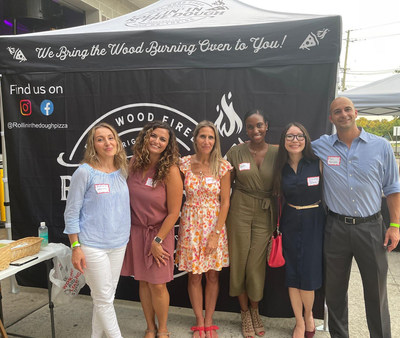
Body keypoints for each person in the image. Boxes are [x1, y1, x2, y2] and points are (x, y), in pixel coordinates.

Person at [312, 97, 400, 338]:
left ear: (355, 112)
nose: (343, 114)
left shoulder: (380, 145)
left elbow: (393, 187)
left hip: (371, 228)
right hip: (335, 228)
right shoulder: (321, 145)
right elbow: (293, 147)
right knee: (335, 293)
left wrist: (394, 225)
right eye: (337, 111)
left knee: (376, 292)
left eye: (347, 109)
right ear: (331, 118)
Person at [64, 122, 130, 338]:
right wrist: (76, 246)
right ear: (93, 145)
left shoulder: (123, 170)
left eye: (110, 137)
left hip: (118, 243)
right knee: (103, 299)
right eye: (100, 139)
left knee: (105, 297)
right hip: (92, 246)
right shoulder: (84, 172)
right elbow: (71, 212)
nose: (107, 143)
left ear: (117, 141)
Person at [121, 121, 183, 338]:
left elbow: (174, 212)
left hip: (159, 233)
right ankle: (150, 327)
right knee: (144, 282)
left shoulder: (171, 170)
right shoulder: (133, 163)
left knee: (157, 285)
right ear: (146, 137)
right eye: (154, 136)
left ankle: (163, 329)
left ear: (168, 144)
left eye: (162, 139)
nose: (157, 141)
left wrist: (157, 241)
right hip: (136, 232)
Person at [175, 120, 232, 338]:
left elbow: (225, 201)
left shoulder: (223, 166)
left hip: (213, 226)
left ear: (215, 141)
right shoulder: (184, 164)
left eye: (211, 137)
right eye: (203, 136)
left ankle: (210, 320)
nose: (206, 141)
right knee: (194, 277)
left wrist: (215, 235)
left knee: (213, 277)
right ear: (195, 138)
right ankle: (199, 319)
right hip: (190, 225)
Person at [225, 109, 278, 338]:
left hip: (265, 211)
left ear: (266, 126)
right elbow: (225, 189)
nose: (255, 130)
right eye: (250, 126)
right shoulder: (235, 152)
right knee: (239, 260)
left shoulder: (279, 152)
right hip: (239, 209)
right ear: (245, 129)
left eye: (259, 125)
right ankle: (244, 312)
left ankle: (255, 311)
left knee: (256, 263)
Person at [272, 122, 325, 338]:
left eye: (299, 136)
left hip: (314, 221)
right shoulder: (280, 167)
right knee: (292, 272)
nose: (295, 140)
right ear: (283, 141)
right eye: (290, 136)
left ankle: (310, 314)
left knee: (309, 273)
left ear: (306, 139)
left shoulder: (317, 163)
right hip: (290, 220)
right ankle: (299, 322)